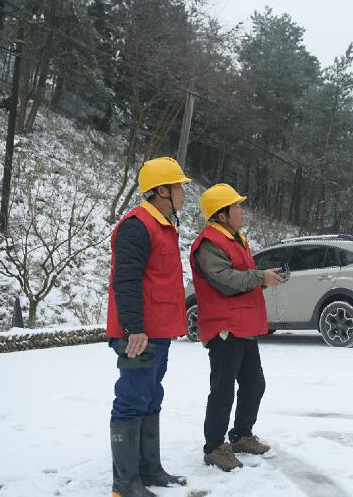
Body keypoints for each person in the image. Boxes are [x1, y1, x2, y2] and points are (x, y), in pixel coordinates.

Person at [106, 157, 191, 497]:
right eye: (179, 186)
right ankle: (124, 484)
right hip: (138, 333)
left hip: (158, 330)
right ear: (161, 191)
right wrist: (133, 329)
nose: (185, 192)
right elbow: (124, 281)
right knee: (131, 400)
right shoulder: (136, 226)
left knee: (151, 395)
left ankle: (149, 470)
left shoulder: (163, 225)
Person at [189, 183, 284, 471]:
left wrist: (264, 278)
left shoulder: (235, 238)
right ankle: (214, 446)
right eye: (236, 207)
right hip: (224, 328)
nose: (242, 211)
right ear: (221, 214)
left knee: (255, 384)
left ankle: (241, 435)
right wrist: (260, 277)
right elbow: (225, 281)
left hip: (244, 326)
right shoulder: (209, 243)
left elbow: (242, 276)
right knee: (222, 390)